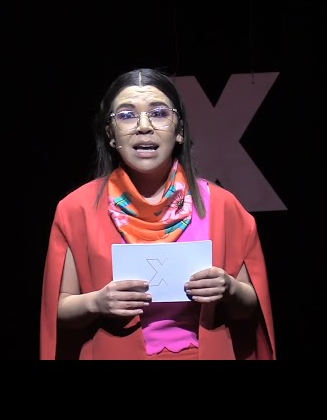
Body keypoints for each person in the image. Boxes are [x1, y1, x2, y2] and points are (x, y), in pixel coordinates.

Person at [39, 67, 276, 360]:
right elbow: (59, 308)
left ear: (179, 131)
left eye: (159, 113)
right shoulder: (76, 209)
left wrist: (229, 289)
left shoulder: (222, 205)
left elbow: (249, 307)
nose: (143, 126)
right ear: (111, 134)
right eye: (126, 115)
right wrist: (97, 302)